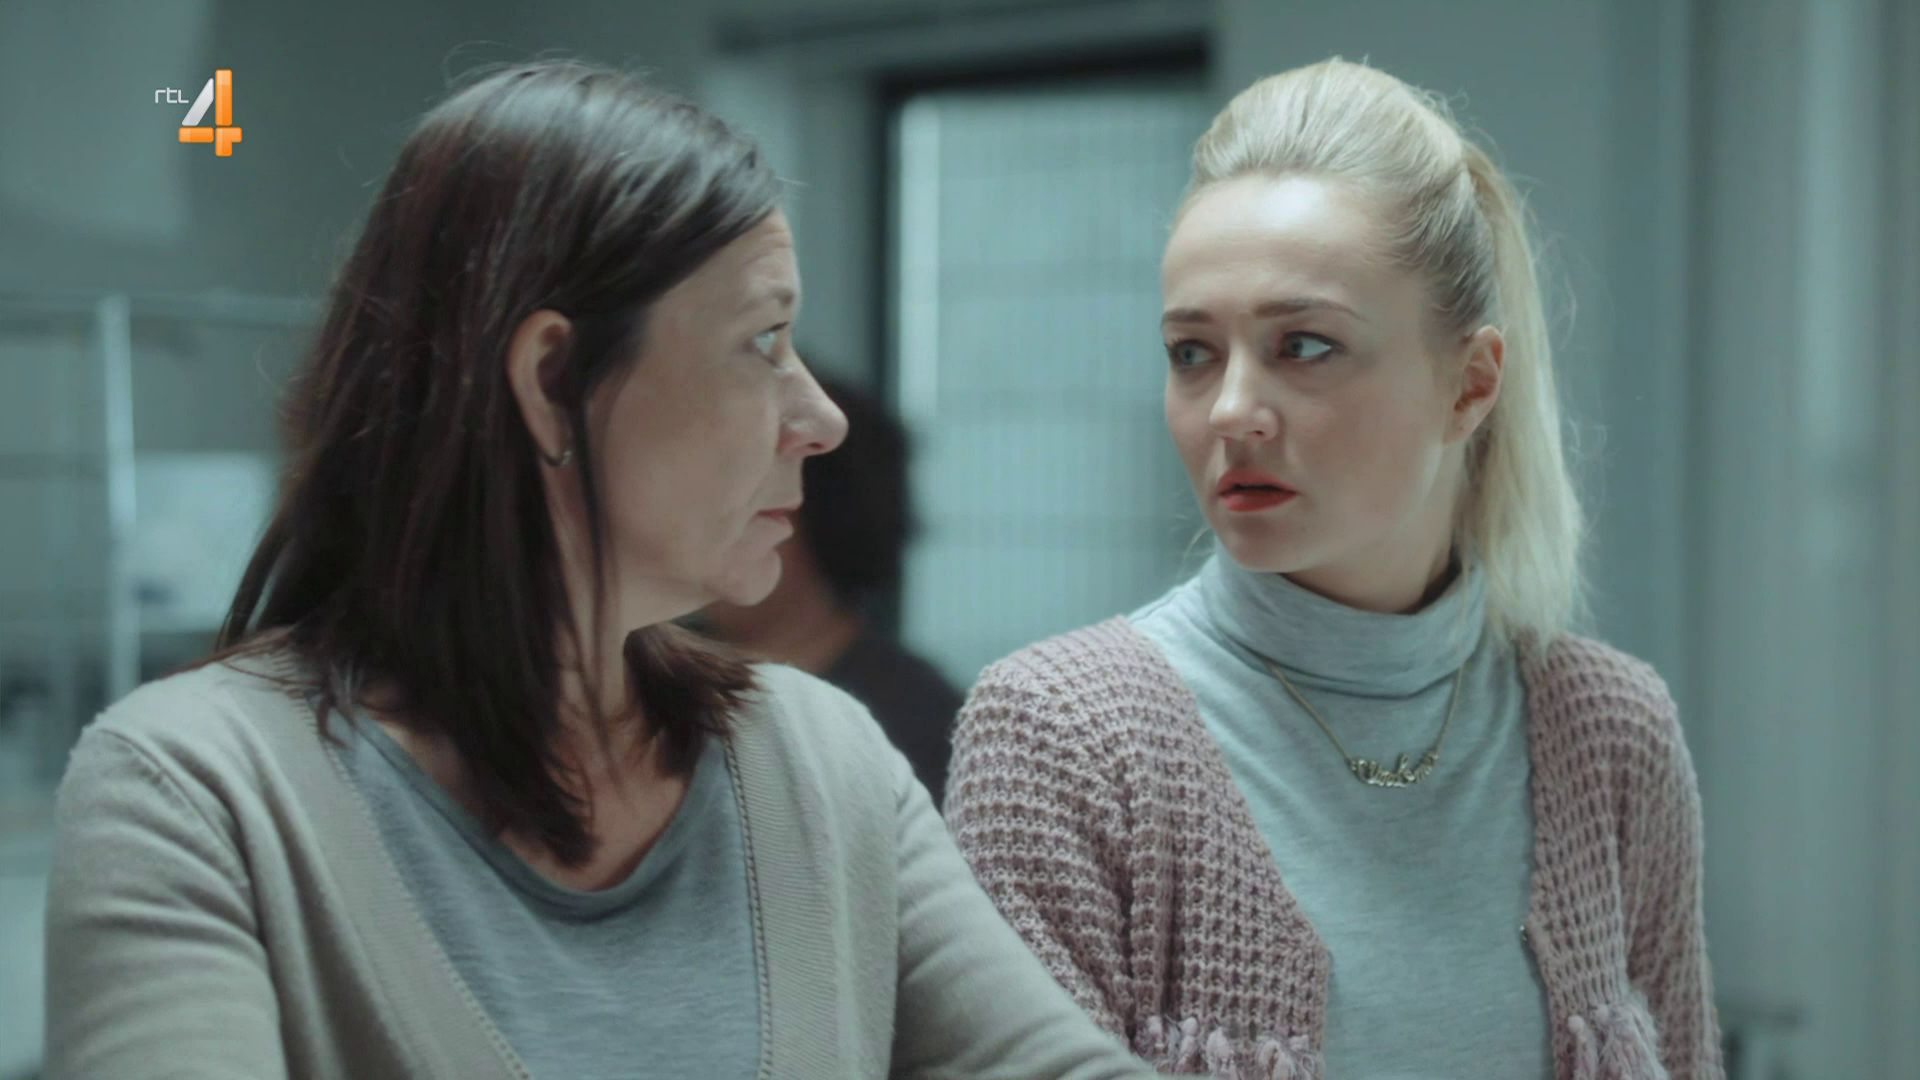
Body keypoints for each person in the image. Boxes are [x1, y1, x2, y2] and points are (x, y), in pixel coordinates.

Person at [42, 61, 1164, 1080]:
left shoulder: (821, 759)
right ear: (551, 379)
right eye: (763, 342)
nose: (820, 418)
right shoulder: (197, 790)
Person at [945, 58, 1724, 1080]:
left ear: (1470, 383)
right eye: (1192, 353)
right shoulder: (1062, 736)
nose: (1232, 410)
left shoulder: (1610, 732)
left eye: (1304, 346)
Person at [700, 373, 962, 805]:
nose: (711, 532)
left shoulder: (916, 720)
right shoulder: (648, 671)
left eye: (752, 508)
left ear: (826, 520)